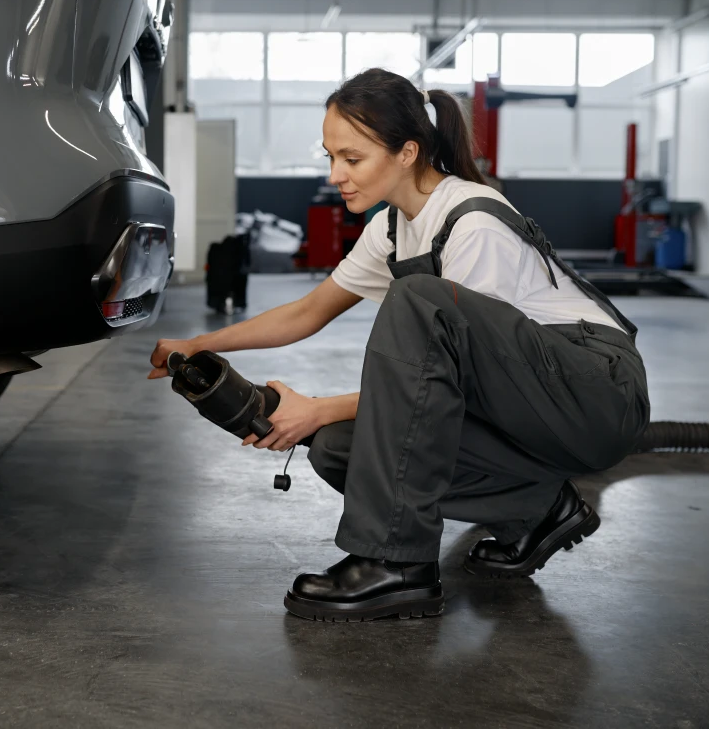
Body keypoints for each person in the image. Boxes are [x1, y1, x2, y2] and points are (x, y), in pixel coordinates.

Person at [149, 68, 650, 622]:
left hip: (594, 393)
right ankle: (538, 508)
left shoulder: (472, 222)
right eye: (330, 157)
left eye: (353, 158)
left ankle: (397, 566)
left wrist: (313, 409)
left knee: (417, 303)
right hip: (532, 403)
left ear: (407, 152)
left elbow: (446, 387)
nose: (337, 174)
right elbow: (308, 311)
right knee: (342, 446)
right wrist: (200, 343)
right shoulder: (393, 225)